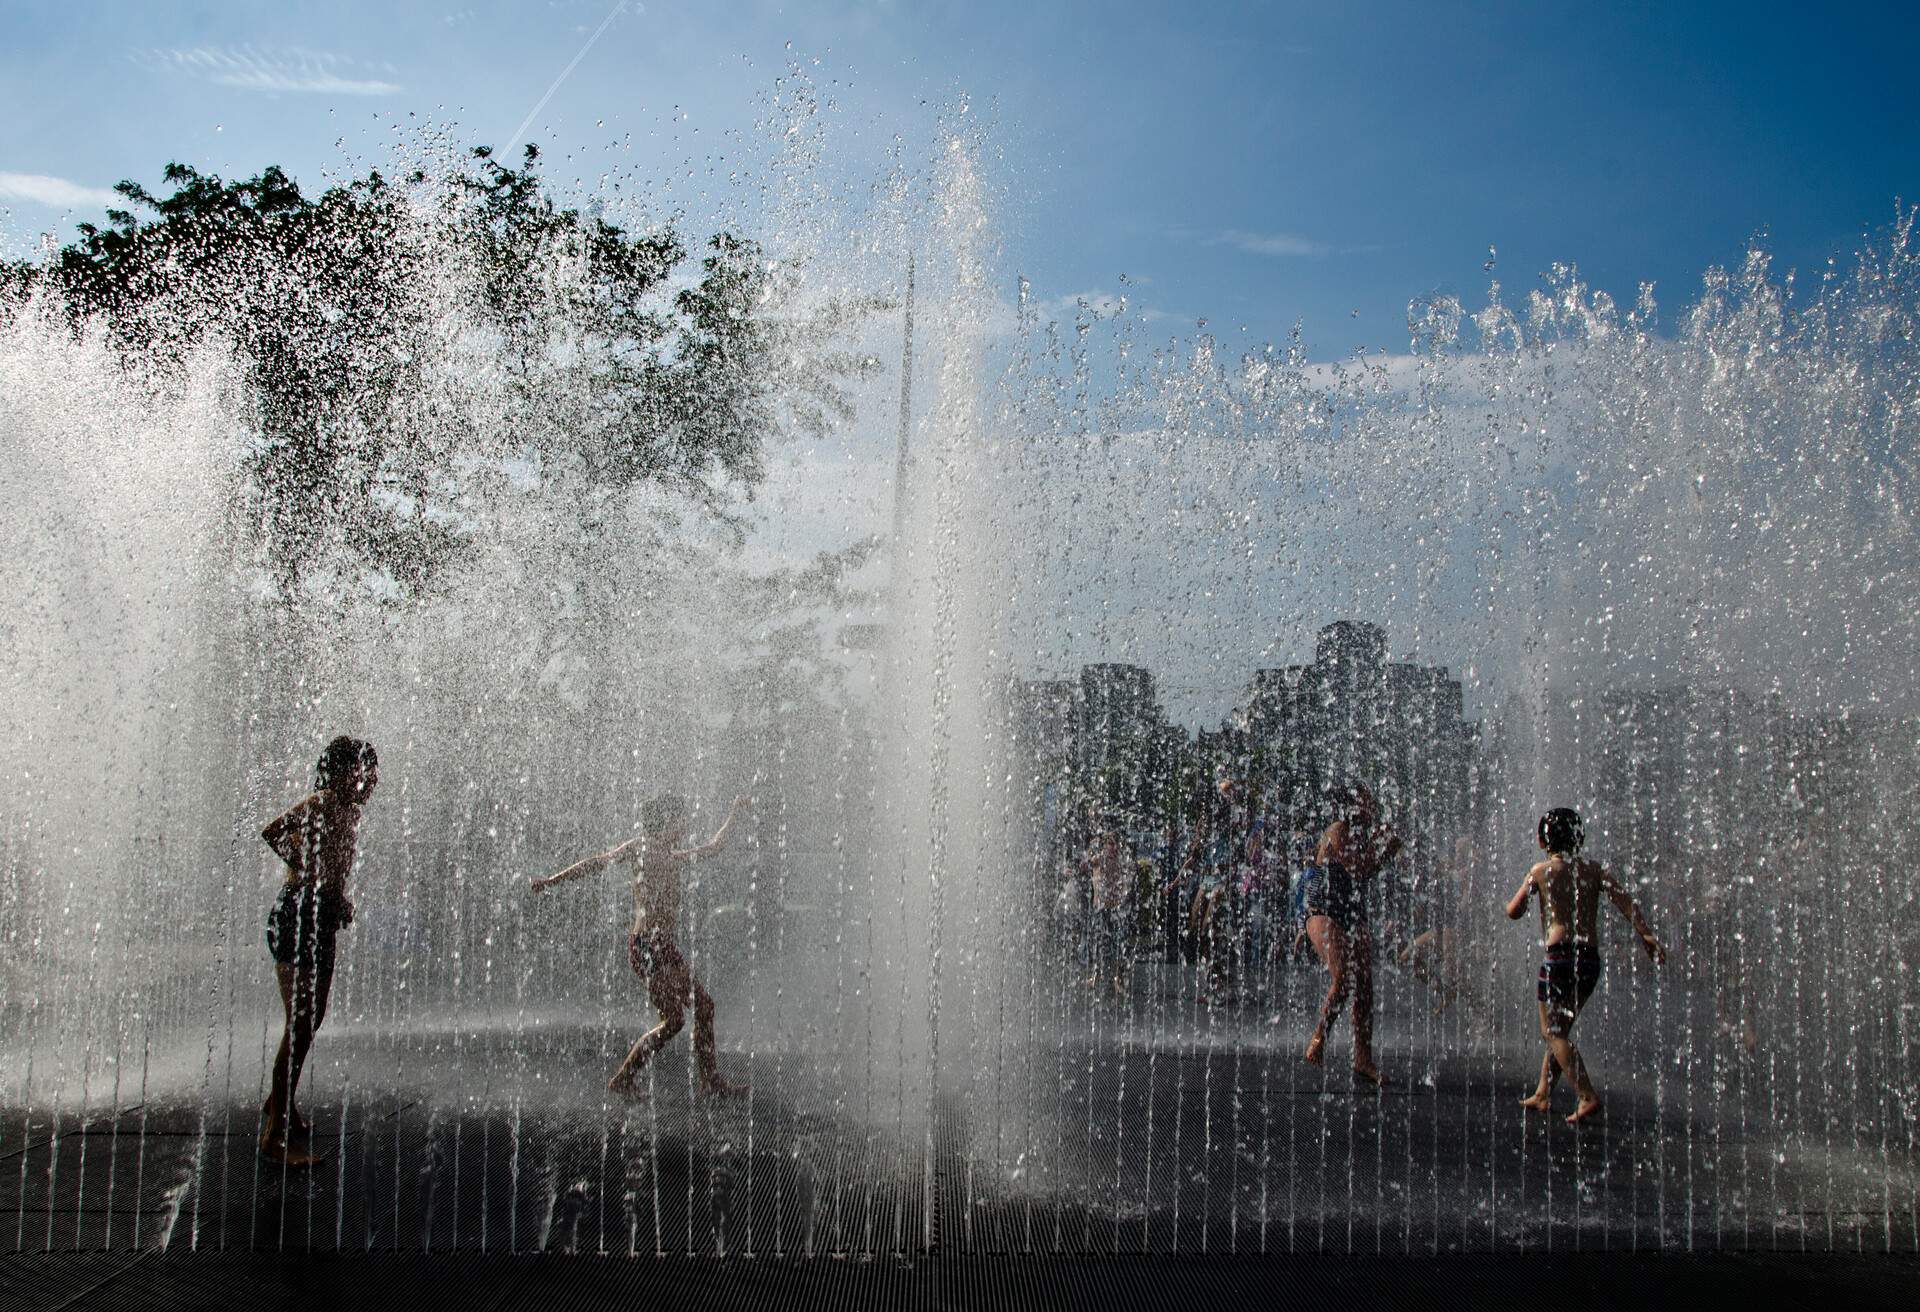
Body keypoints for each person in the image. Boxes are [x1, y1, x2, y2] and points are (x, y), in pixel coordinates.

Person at [532, 792, 751, 1098]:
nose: (687, 825)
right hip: (646, 946)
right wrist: (551, 882)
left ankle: (710, 1081)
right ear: (669, 820)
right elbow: (597, 863)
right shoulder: (638, 848)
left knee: (704, 1007)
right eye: (683, 819)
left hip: (665, 946)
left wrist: (734, 811)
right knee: (675, 1019)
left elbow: (715, 847)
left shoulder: (673, 855)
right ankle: (625, 1078)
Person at [259, 735, 379, 1165]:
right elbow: (273, 832)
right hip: (296, 915)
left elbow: (332, 869)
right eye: (367, 770)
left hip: (321, 917)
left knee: (312, 1017)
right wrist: (305, 870)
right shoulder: (324, 801)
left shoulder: (348, 811)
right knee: (301, 1022)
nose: (373, 780)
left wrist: (336, 898)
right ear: (346, 773)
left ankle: (280, 1102)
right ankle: (275, 1138)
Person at [1505, 807, 1666, 1124]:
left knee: (1552, 1032)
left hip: (1558, 959)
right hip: (1589, 961)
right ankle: (1542, 1092)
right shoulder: (1594, 870)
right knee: (1560, 1029)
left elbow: (1513, 910)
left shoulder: (1540, 871)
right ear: (1580, 839)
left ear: (1541, 841)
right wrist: (1646, 934)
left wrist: (1525, 893)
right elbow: (1624, 900)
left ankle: (1586, 1094)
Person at [1300, 783, 1401, 1084]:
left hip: (1352, 911)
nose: (1373, 807)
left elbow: (1364, 871)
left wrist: (1384, 847)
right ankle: (1319, 1037)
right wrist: (1387, 852)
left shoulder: (1360, 836)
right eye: (1367, 801)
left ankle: (1362, 1058)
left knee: (1365, 985)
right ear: (1354, 807)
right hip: (1324, 910)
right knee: (1343, 978)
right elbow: (1357, 870)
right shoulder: (1337, 830)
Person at [1397, 836, 1479, 1015]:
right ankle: (1446, 992)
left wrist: (1461, 908)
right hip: (1440, 928)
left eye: (1462, 849)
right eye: (1456, 848)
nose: (1457, 851)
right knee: (1408, 956)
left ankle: (1481, 1009)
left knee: (1453, 973)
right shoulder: (1443, 866)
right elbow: (1430, 891)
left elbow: (1469, 895)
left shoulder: (1468, 872)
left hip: (1454, 926)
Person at [1080, 828, 1136, 998]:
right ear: (1104, 846)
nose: (1113, 848)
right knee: (1100, 944)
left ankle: (1118, 979)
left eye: (1115, 844)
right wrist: (1087, 862)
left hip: (1115, 910)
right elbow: (1084, 866)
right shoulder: (1100, 859)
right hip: (1101, 909)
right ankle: (1097, 977)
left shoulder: (1121, 861)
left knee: (1118, 946)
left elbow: (1130, 876)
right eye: (1110, 844)